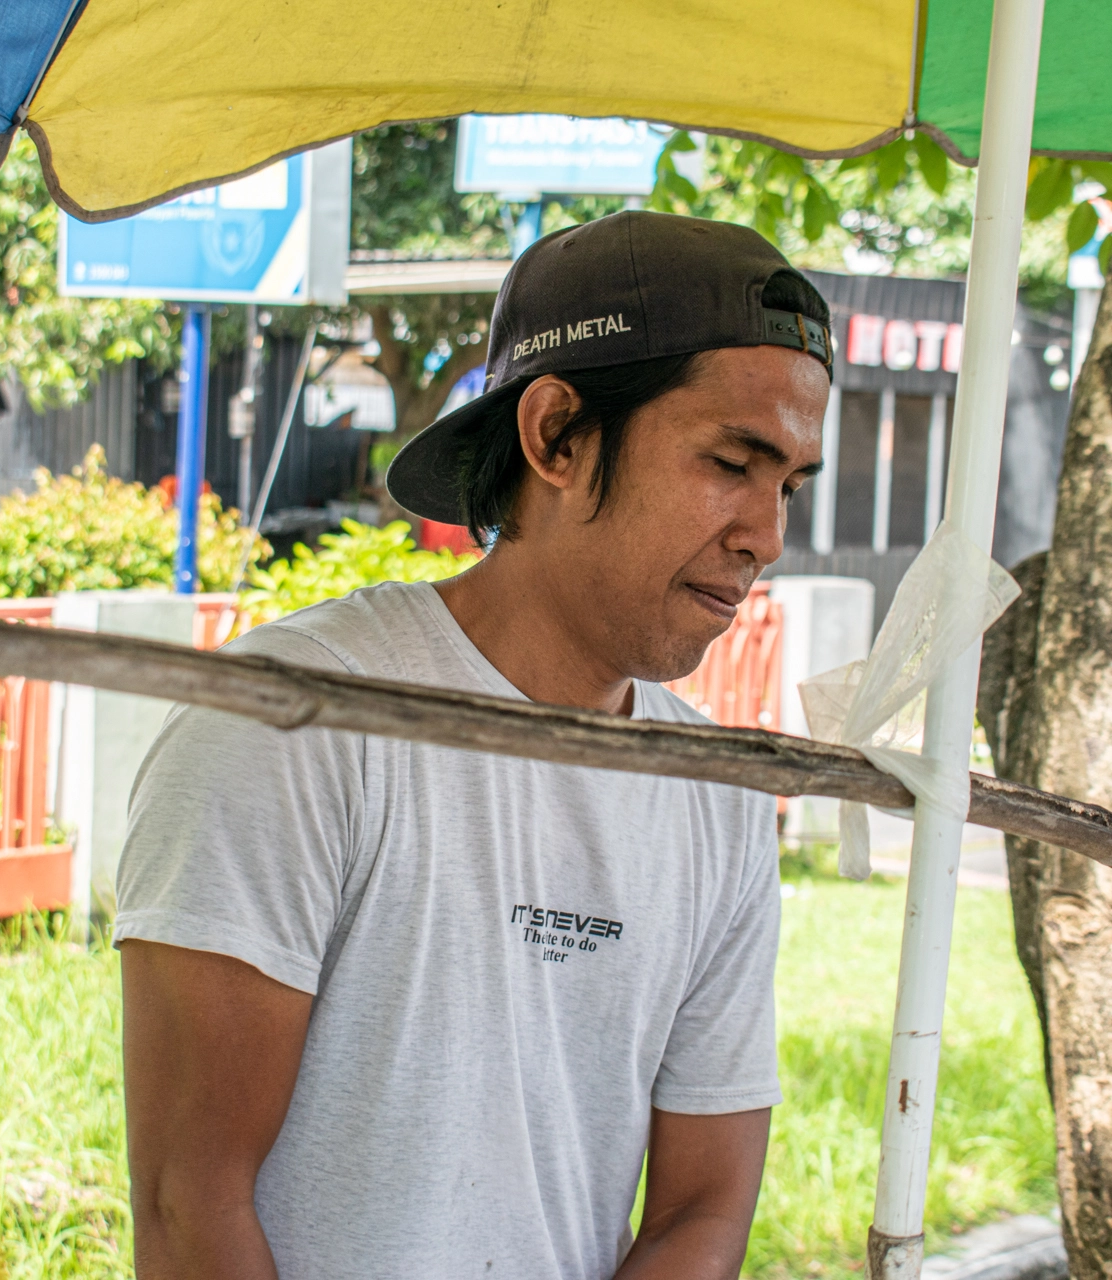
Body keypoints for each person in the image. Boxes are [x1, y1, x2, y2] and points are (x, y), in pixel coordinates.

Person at [116, 211, 832, 1280]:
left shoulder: (715, 793)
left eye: (789, 487)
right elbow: (190, 1206)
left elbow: (703, 1207)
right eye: (732, 461)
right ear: (556, 435)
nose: (766, 536)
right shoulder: (292, 722)